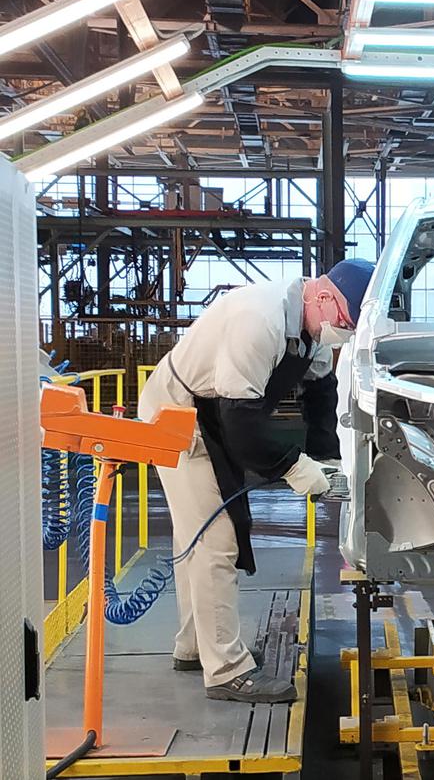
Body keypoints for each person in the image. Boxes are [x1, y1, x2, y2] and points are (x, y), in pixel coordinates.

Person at [138, 259, 375, 703]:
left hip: (218, 416)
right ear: (323, 297)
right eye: (346, 321)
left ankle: (195, 647)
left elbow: (320, 399)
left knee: (201, 534)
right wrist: (294, 467)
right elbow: (242, 425)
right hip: (180, 417)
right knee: (215, 537)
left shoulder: (312, 332)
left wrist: (327, 461)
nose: (344, 332)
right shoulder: (258, 319)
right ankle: (226, 670)